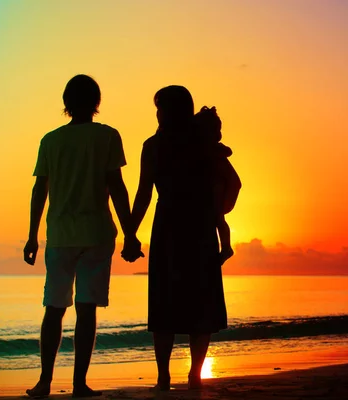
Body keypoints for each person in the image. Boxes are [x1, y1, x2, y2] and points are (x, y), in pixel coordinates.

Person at [23, 74, 139, 398]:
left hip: (60, 235)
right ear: (96, 102)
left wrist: (32, 236)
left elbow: (39, 190)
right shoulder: (107, 137)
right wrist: (130, 234)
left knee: (54, 308)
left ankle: (45, 382)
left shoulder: (51, 140)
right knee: (86, 310)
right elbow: (116, 186)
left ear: (66, 104)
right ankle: (78, 384)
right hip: (97, 234)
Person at [123, 85, 228, 391]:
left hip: (168, 225)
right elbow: (225, 181)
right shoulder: (203, 143)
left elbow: (143, 193)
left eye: (160, 107)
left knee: (164, 302)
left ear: (167, 111)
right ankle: (194, 374)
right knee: (202, 302)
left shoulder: (153, 145)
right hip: (200, 225)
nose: (157, 112)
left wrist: (131, 233)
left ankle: (163, 376)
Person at [193, 106, 241, 265]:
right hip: (213, 187)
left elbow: (234, 179)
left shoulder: (214, 149)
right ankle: (226, 248)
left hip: (217, 187)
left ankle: (226, 248)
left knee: (218, 218)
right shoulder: (206, 148)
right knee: (218, 218)